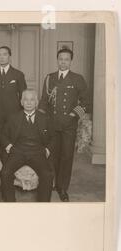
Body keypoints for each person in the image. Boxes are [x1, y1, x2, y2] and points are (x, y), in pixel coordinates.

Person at [38, 48, 91, 202]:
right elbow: (43, 100)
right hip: (52, 123)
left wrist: (74, 115)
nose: (63, 62)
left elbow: (86, 102)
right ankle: (54, 182)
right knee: (53, 155)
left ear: (70, 61)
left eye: (66, 59)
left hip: (69, 125)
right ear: (57, 60)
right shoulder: (50, 78)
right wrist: (41, 119)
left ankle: (63, 188)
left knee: (66, 156)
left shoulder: (77, 79)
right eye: (61, 59)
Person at [0, 89, 55, 202]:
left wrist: (47, 150)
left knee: (47, 174)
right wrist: (9, 147)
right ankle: (10, 205)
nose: (29, 103)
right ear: (21, 102)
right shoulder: (13, 117)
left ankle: (43, 206)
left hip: (37, 152)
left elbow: (54, 137)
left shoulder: (45, 118)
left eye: (32, 100)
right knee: (5, 173)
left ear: (36, 102)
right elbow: (3, 135)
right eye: (26, 99)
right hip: (18, 152)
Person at [0, 46, 27, 130]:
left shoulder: (18, 74)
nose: (1, 57)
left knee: (13, 136)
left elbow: (23, 95)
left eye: (4, 54)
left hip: (14, 112)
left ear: (10, 57)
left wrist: (20, 112)